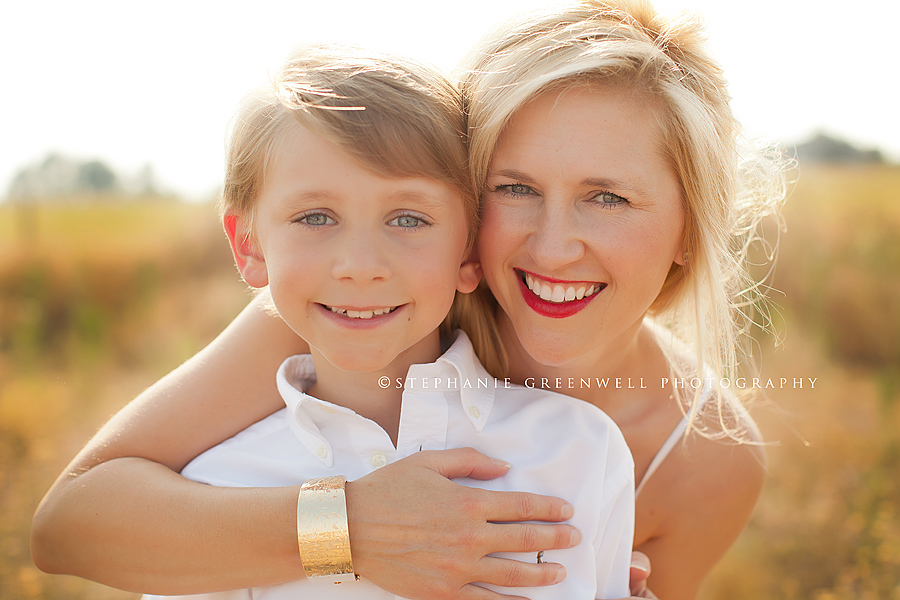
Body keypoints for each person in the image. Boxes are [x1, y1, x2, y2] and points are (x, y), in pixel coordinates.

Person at [32, 1, 785, 599]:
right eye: (514, 188)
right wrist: (352, 530)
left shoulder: (707, 460)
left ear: (690, 227)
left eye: (609, 198)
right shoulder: (374, 310)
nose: (553, 247)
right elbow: (72, 525)